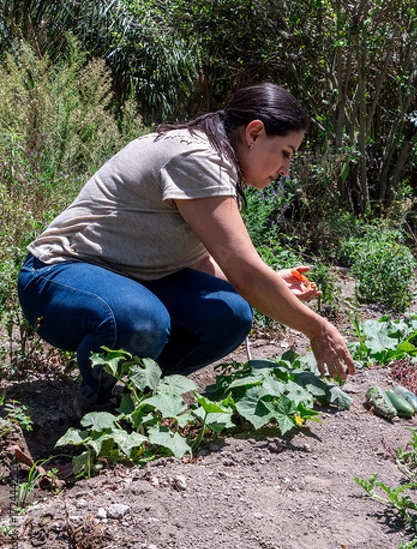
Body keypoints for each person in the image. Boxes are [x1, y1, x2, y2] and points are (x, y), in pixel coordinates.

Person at [18, 82, 355, 418]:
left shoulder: (212, 156)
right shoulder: (198, 157)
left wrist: (274, 282)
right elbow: (245, 274)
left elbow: (200, 259)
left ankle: (137, 392)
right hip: (56, 277)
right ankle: (95, 402)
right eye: (286, 152)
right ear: (254, 133)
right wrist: (317, 329)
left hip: (125, 280)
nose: (285, 170)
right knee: (141, 319)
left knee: (229, 313)